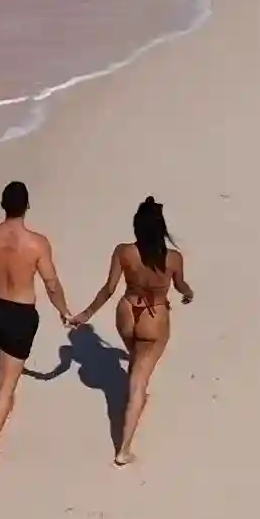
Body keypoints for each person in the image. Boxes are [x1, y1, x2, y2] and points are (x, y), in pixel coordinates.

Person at [0, 178, 72, 468]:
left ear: (3, 205)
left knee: (1, 361)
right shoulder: (37, 243)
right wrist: (64, 311)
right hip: (20, 313)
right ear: (27, 206)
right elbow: (51, 284)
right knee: (7, 386)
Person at [68, 195, 194, 466]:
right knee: (139, 379)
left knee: (136, 359)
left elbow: (109, 289)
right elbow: (180, 285)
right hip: (155, 314)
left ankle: (134, 398)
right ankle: (123, 448)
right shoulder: (172, 258)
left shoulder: (124, 251)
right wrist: (188, 293)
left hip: (127, 311)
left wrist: (85, 314)